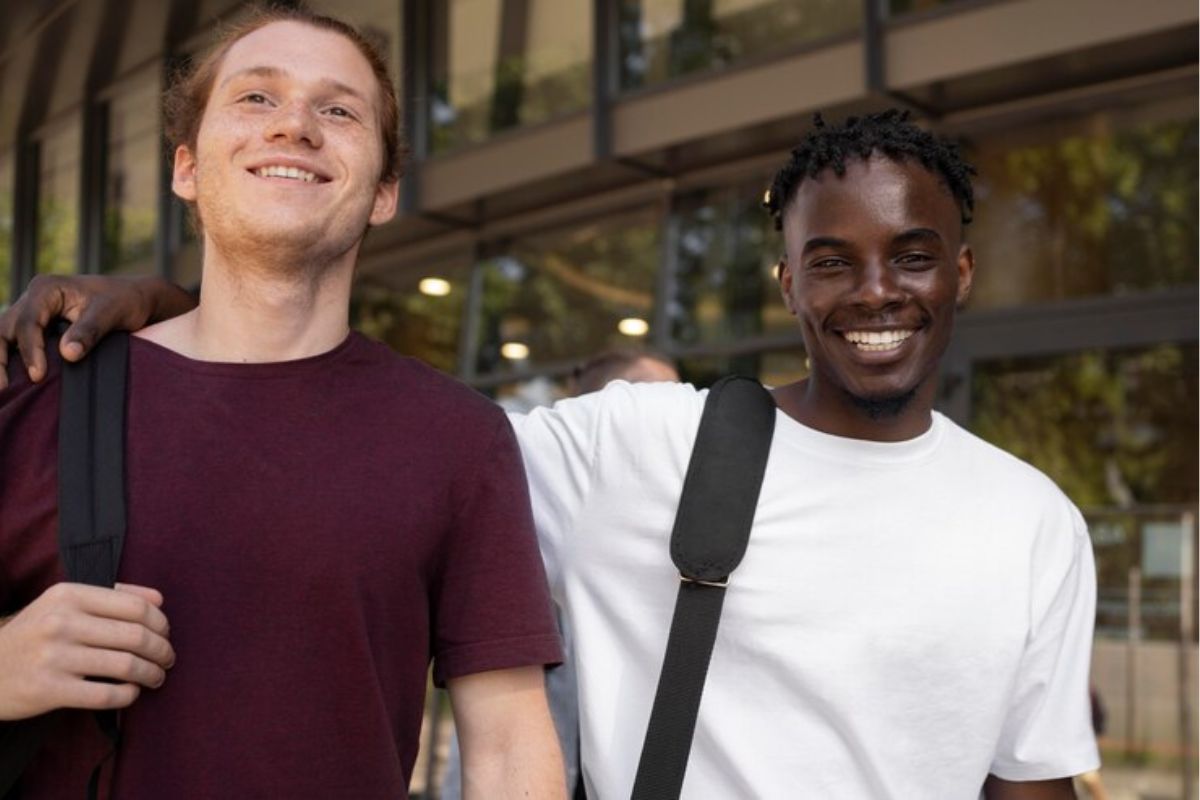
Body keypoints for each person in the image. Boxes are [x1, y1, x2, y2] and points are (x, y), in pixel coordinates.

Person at [1, 112, 1100, 798]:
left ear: (959, 273)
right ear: (786, 286)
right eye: (831, 260)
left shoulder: (1033, 521)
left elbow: (1028, 784)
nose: (873, 292)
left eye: (911, 257)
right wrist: (182, 312)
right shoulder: (640, 442)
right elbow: (357, 429)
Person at [0, 7, 564, 799]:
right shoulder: (34, 397)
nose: (295, 124)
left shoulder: (459, 439)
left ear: (384, 192)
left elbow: (508, 751)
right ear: (187, 168)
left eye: (338, 110)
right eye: (256, 98)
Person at [443, 348, 679, 800]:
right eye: (646, 399)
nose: (666, 418)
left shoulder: (677, 551)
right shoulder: (521, 515)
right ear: (594, 412)